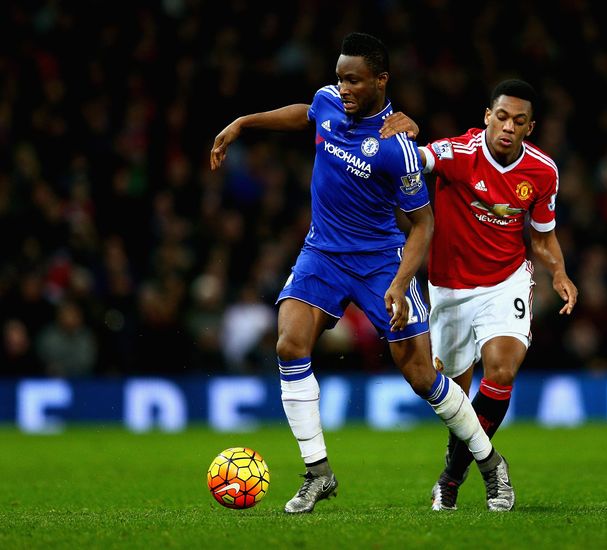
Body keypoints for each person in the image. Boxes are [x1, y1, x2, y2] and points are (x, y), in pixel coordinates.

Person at [210, 32, 515, 514]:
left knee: (419, 375)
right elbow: (306, 113)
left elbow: (424, 224)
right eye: (339, 77)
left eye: (353, 79)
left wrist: (398, 283)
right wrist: (243, 123)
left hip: (380, 262)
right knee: (289, 344)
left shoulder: (399, 146)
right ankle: (318, 473)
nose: (343, 87)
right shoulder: (328, 102)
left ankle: (489, 461)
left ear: (380, 80)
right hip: (323, 253)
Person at [381, 79, 578, 510]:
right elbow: (413, 160)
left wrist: (559, 273)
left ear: (530, 127)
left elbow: (543, 237)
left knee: (501, 371)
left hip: (505, 281)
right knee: (457, 402)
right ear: (487, 116)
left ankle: (453, 478)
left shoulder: (543, 172)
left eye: (519, 121)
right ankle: (463, 468)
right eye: (502, 116)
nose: (508, 126)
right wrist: (406, 133)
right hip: (448, 290)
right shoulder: (457, 154)